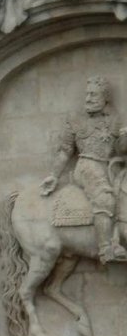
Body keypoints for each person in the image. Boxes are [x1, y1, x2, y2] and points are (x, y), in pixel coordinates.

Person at [41, 75, 127, 263]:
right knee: (104, 197)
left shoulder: (116, 119)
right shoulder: (75, 120)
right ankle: (106, 249)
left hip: (112, 167)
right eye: (87, 94)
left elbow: (121, 148)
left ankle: (118, 238)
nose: (88, 99)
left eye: (93, 95)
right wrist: (53, 175)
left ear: (105, 98)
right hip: (87, 165)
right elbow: (65, 151)